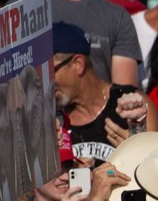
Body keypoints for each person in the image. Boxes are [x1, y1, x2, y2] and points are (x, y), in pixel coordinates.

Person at [50, 21, 146, 165]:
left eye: (50, 72)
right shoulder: (49, 122)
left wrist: (136, 153)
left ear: (78, 64)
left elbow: (154, 177)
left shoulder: (135, 106)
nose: (45, 82)